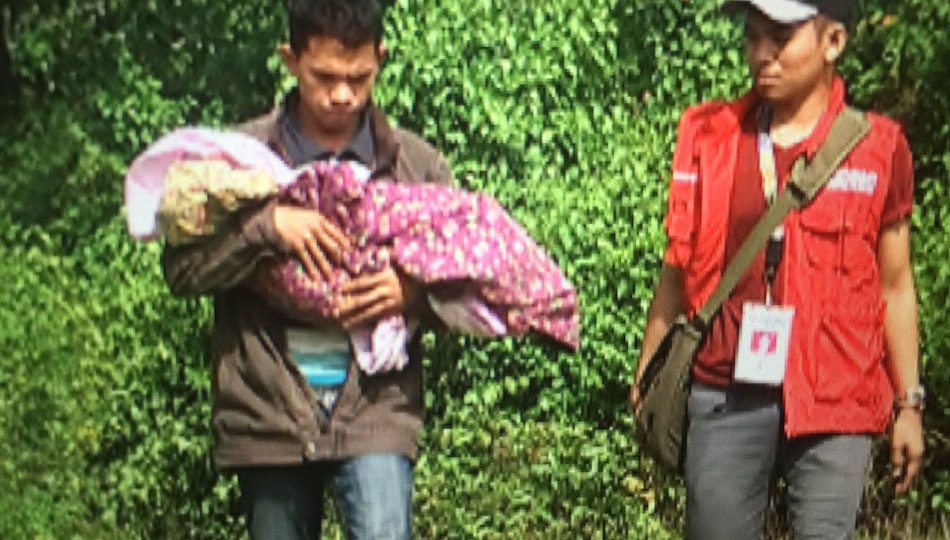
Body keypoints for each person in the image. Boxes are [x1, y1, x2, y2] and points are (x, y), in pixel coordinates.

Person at [160, 1, 455, 538]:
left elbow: (473, 280)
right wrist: (269, 228)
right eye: (324, 77)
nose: (342, 95)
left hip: (375, 414)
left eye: (358, 78)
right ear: (290, 60)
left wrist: (410, 292)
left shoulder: (415, 165)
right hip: (268, 417)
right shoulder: (235, 161)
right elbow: (182, 271)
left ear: (381, 59)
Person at [631, 1, 925, 538]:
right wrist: (651, 365)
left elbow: (895, 284)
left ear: (833, 42)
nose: (761, 55)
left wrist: (909, 403)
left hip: (838, 400)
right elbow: (677, 267)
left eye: (780, 38)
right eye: (753, 37)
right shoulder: (710, 137)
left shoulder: (880, 148)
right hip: (726, 390)